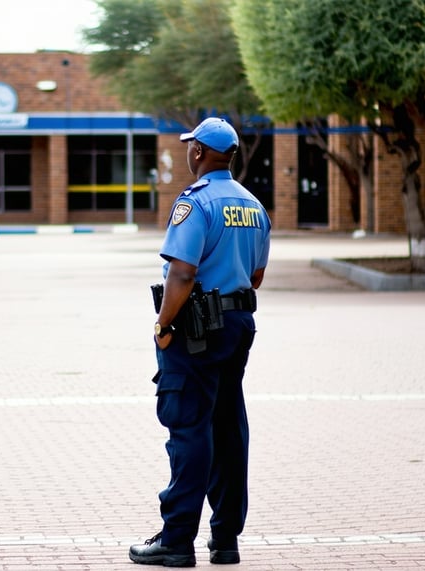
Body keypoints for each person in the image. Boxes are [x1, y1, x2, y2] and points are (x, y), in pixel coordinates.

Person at [129, 117, 271, 567]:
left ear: (198, 153)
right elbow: (256, 276)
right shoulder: (253, 205)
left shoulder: (195, 204)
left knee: (189, 426)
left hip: (194, 332)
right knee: (228, 426)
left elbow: (182, 272)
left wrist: (163, 325)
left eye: (191, 146)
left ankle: (176, 540)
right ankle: (225, 539)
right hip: (238, 324)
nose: (189, 151)